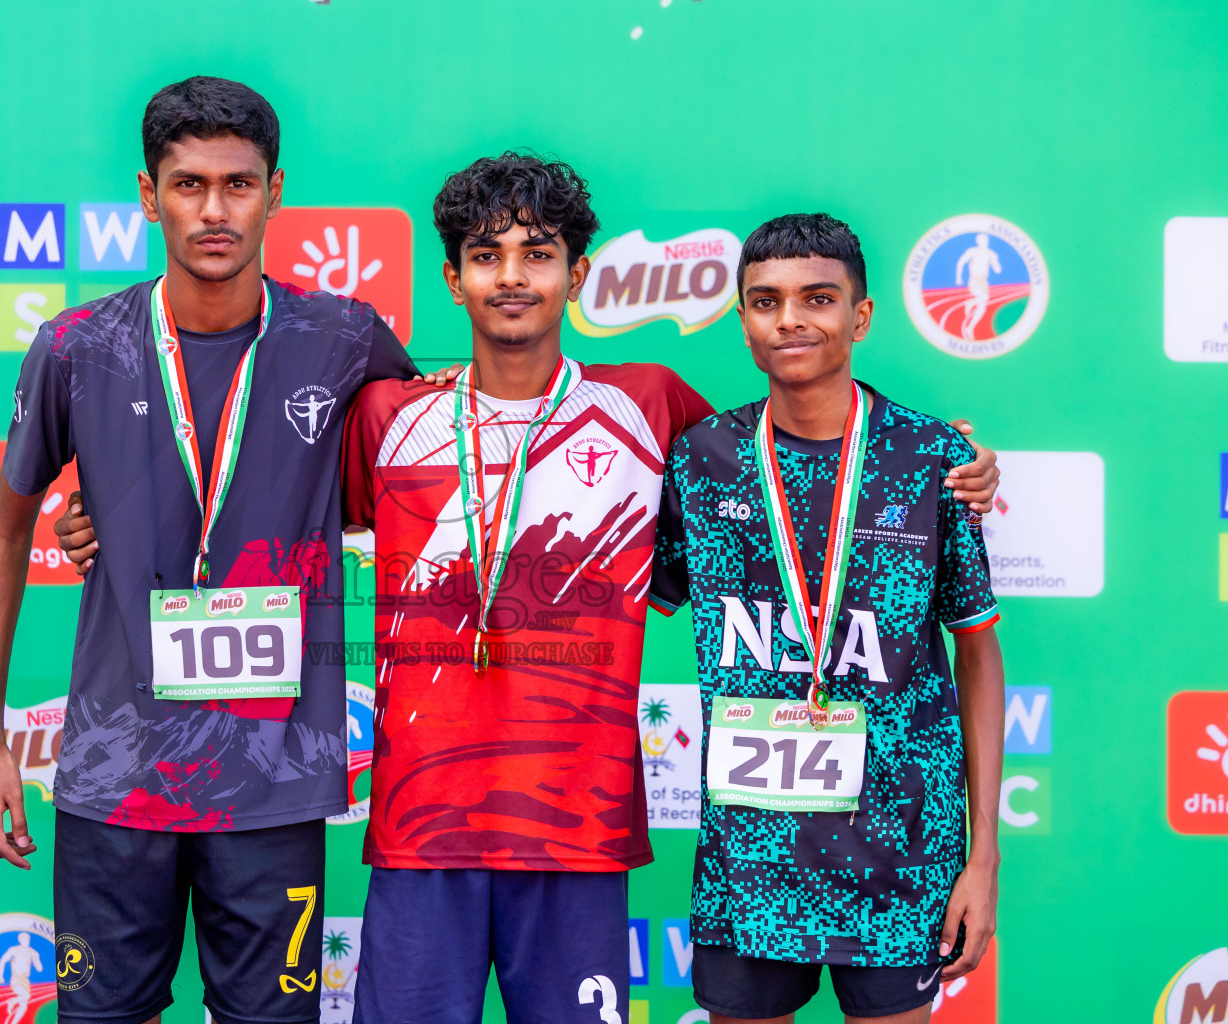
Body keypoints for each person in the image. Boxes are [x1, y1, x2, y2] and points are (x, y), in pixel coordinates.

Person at [55, 162, 1000, 1023]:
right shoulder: (390, 412)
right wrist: (108, 526)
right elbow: (263, 501)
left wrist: (950, 458)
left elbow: (795, 466)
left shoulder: (654, 404)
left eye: (539, 254)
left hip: (578, 831)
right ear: (455, 276)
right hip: (423, 829)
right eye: (487, 255)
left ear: (577, 275)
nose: (514, 275)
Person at [0, 76, 450, 1024]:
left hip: (274, 780)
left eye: (238, 183)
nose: (215, 210)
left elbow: (412, 482)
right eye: (189, 185)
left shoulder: (345, 337)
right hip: (118, 776)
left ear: (276, 191)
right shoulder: (78, 345)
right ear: (148, 196)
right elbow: (1, 529)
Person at [652, 213, 1005, 1024]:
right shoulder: (699, 459)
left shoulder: (933, 460)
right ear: (742, 318)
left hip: (902, 851)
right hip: (752, 860)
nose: (790, 320)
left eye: (817, 298)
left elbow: (978, 652)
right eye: (765, 301)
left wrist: (982, 856)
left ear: (862, 315)